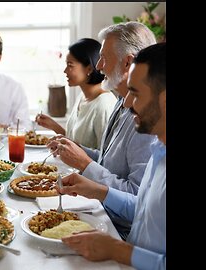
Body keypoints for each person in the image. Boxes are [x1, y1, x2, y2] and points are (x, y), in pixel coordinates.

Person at [59, 42, 166, 270]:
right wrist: (98, 190)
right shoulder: (159, 150)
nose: (126, 103)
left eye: (135, 94)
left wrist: (116, 250)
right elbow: (145, 208)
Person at [47, 21, 157, 239]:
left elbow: (136, 199)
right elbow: (108, 161)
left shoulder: (148, 122)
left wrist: (84, 164)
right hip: (99, 212)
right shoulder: (120, 102)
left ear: (128, 63)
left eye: (103, 58)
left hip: (119, 232)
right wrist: (79, 150)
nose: (98, 66)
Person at [36, 38, 117, 149]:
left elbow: (104, 156)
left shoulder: (104, 105)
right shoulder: (83, 96)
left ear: (89, 68)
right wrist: (53, 126)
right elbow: (76, 143)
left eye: (70, 65)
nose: (65, 71)